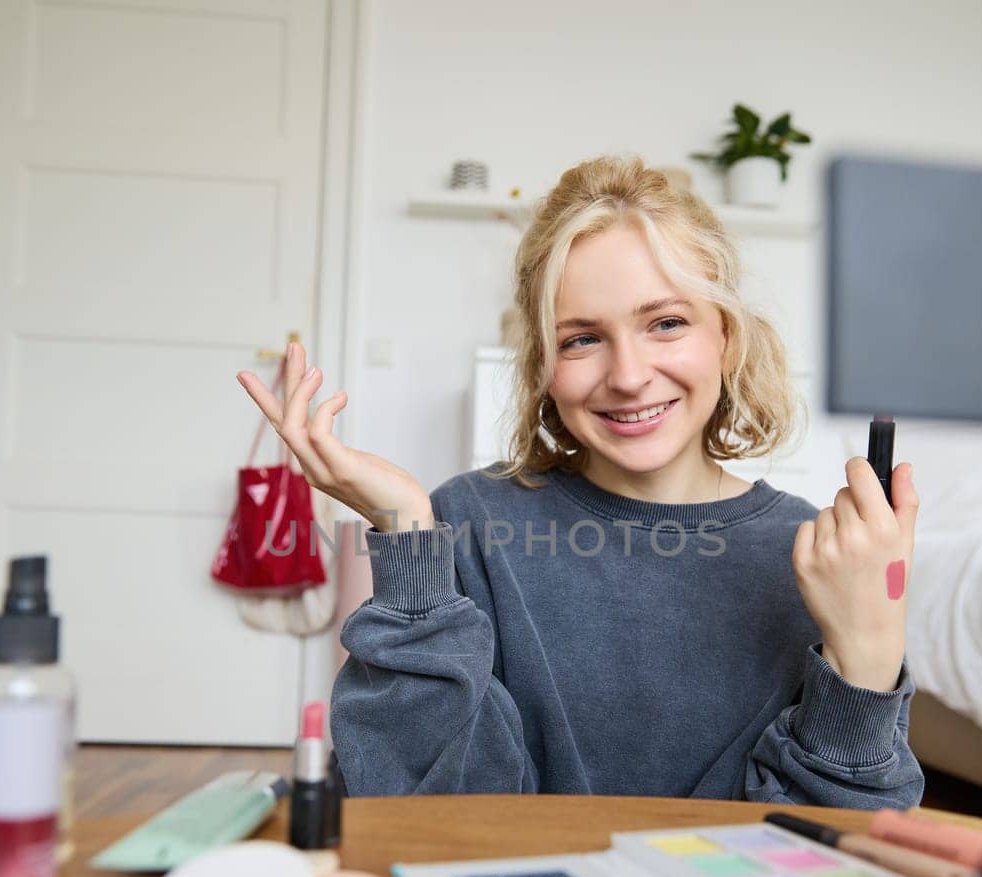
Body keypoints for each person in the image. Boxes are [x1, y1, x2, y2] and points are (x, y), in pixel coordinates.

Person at [239, 155, 923, 812]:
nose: (627, 374)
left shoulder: (816, 558)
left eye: (666, 323)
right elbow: (415, 802)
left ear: (728, 337)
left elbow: (827, 845)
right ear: (542, 365)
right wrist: (409, 538)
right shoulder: (467, 522)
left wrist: (866, 651)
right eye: (581, 339)